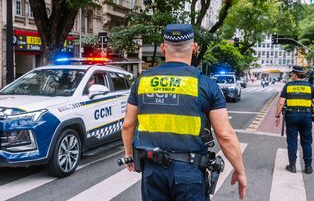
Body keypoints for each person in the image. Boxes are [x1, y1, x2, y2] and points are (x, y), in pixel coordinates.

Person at [122, 24, 247, 200]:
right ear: (194, 48)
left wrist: (129, 156)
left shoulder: (142, 81)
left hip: (152, 172)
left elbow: (128, 125)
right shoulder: (205, 84)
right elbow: (225, 135)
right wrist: (239, 170)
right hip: (189, 172)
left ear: (164, 47)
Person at [274, 66, 313, 174]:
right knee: (307, 142)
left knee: (292, 141)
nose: (291, 76)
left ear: (296, 74)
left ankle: (292, 166)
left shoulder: (288, 86)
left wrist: (277, 116)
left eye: (292, 74)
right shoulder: (310, 86)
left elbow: (281, 103)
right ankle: (308, 167)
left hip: (291, 116)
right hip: (306, 116)